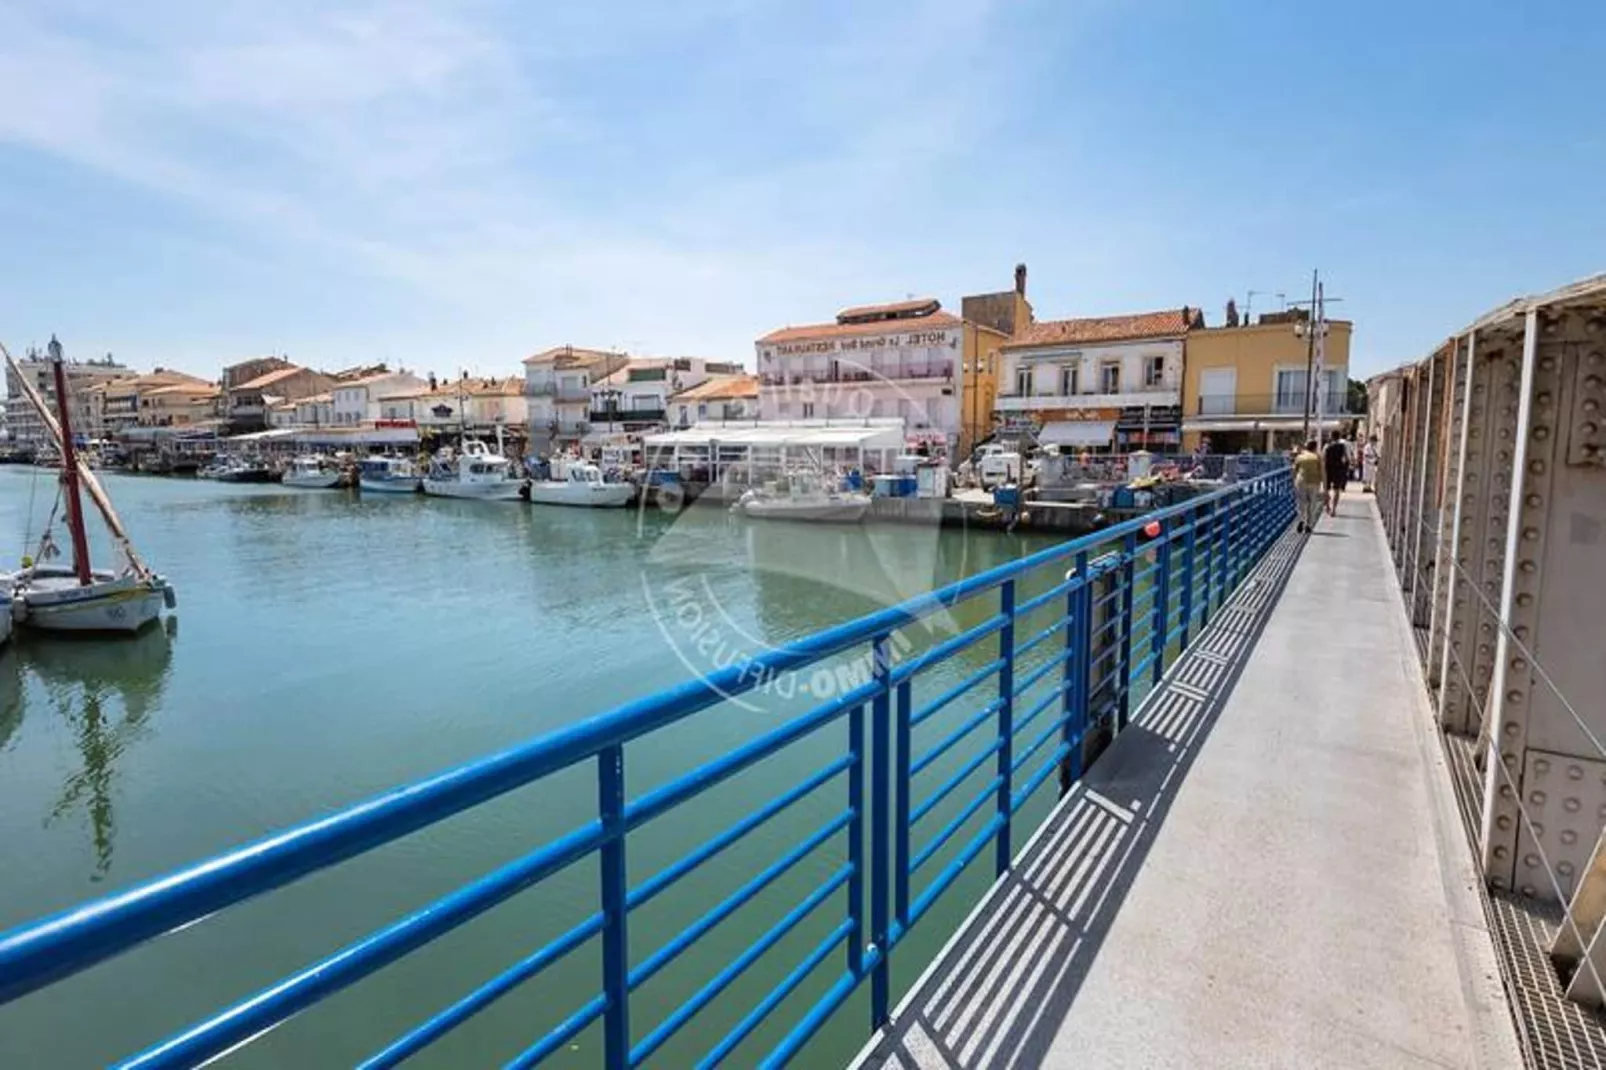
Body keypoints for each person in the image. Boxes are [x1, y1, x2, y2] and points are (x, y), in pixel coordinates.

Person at [1293, 439, 1324, 533]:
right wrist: (1324, 484)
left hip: (1301, 481)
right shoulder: (1317, 457)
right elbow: (1322, 471)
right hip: (1314, 482)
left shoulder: (1300, 457)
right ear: (1315, 447)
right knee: (1312, 504)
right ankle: (1309, 525)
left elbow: (1294, 470)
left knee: (1301, 502)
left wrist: (1294, 481)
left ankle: (1301, 520)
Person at [1322, 432, 1349, 516]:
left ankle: (1327, 507)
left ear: (1331, 436)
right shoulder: (1342, 446)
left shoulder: (1326, 446)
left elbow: (1323, 458)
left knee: (1326, 489)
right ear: (1339, 437)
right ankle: (1334, 509)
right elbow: (1345, 458)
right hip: (1338, 469)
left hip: (1328, 469)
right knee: (1336, 490)